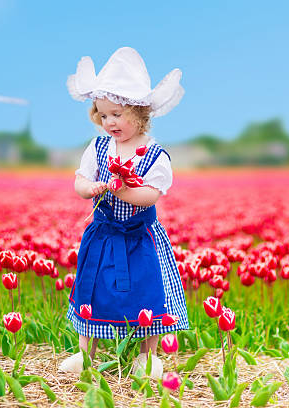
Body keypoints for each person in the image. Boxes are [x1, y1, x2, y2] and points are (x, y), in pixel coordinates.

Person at [60, 47, 189, 379]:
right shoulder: (99, 147)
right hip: (103, 235)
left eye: (116, 114)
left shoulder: (154, 154)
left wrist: (125, 191)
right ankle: (86, 353)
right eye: (103, 115)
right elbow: (80, 179)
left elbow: (151, 195)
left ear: (139, 112)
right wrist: (89, 189)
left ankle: (147, 357)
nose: (109, 122)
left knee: (148, 291)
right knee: (91, 289)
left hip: (139, 238)